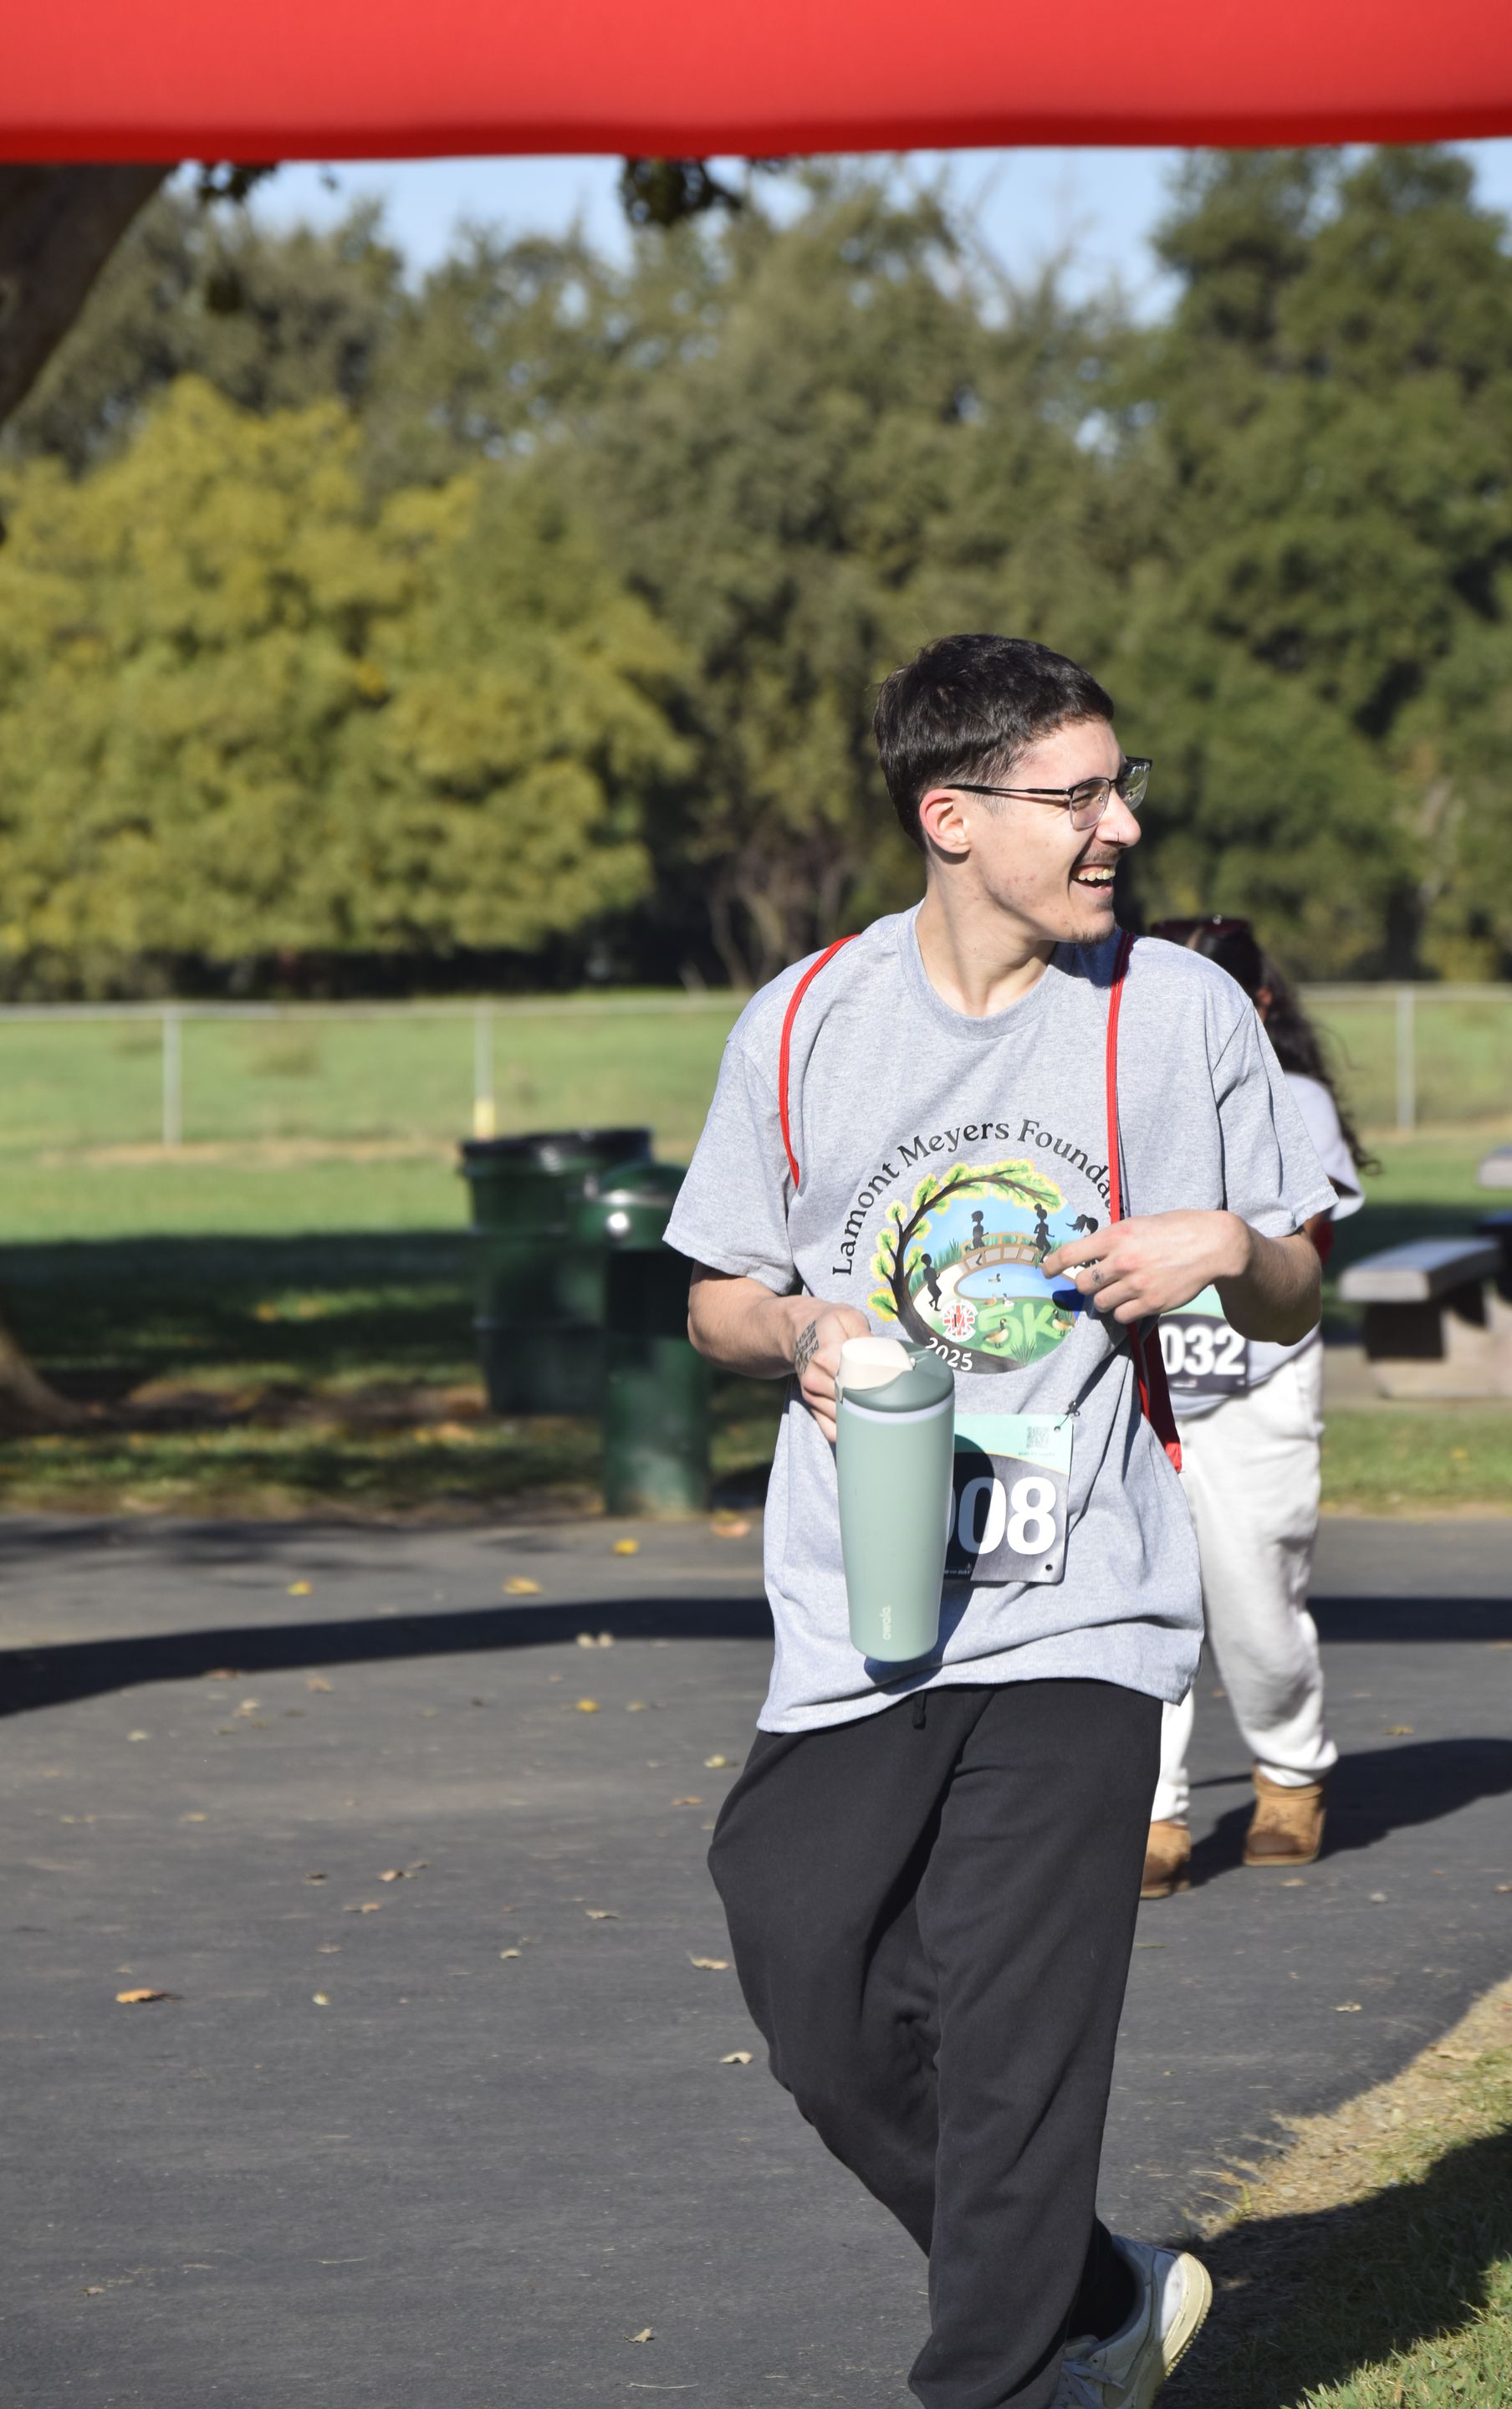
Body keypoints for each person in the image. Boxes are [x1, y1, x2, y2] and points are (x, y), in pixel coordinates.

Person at [664, 634, 1334, 2409]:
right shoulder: (806, 1022)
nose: (1122, 824)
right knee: (811, 1982)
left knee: (1016, 2031)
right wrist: (796, 1327)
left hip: (1080, 1609)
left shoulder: (1175, 1014)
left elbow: (1296, 1286)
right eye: (1079, 796)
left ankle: (1006, 2379)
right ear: (950, 816)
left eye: (1122, 787)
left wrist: (1227, 1250)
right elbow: (717, 1295)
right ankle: (1090, 2284)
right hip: (858, 1602)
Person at [1140, 918, 1372, 1900]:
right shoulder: (1117, 1086)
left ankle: (1289, 1770)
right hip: (1141, 1389)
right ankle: (1151, 1808)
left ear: (1258, 1003)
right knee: (1140, 1603)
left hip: (1252, 1387)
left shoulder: (1295, 1099)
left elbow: (1305, 1248)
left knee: (1251, 1599)